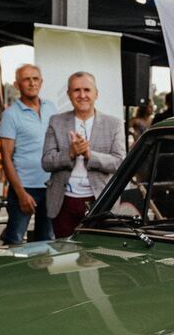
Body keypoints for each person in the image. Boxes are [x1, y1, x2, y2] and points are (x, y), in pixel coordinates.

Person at [41, 72, 127, 238]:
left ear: (96, 93)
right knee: (64, 256)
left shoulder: (114, 124)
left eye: (87, 90)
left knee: (98, 256)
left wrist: (89, 154)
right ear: (68, 94)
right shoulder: (56, 121)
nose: (82, 95)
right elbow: (46, 162)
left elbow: (120, 162)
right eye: (76, 90)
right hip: (63, 202)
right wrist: (70, 154)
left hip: (100, 202)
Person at [0, 64, 57, 244]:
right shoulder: (11, 115)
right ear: (17, 85)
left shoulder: (51, 108)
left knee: (46, 242)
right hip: (25, 188)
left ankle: (41, 274)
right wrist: (20, 193)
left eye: (35, 78)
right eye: (26, 79)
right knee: (14, 241)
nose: (32, 83)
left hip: (50, 187)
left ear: (41, 82)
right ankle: (7, 273)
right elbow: (6, 157)